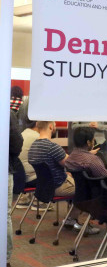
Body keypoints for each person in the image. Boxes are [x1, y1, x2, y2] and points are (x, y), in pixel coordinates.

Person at [28, 121, 94, 232]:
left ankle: (72, 218)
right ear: (50, 126)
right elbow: (72, 163)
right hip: (58, 186)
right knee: (89, 189)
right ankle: (77, 221)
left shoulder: (34, 146)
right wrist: (89, 155)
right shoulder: (52, 147)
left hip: (44, 187)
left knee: (78, 181)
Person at [8, 110, 23, 264]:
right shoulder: (6, 110)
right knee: (3, 216)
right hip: (4, 168)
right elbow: (16, 142)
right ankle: (4, 259)